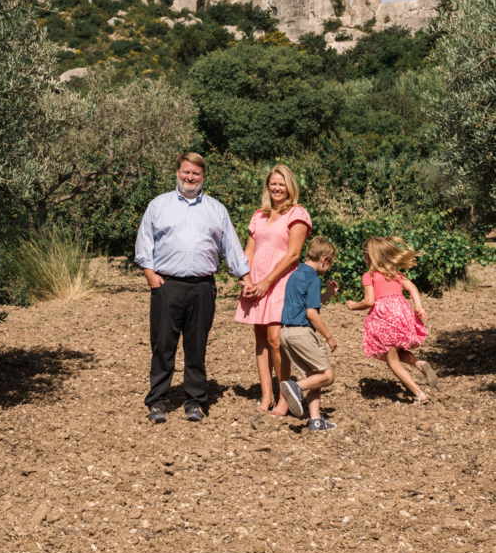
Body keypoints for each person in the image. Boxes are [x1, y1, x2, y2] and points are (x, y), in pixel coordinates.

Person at [134, 151, 250, 424]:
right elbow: (144, 242)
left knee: (197, 347)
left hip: (202, 287)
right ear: (177, 173)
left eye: (196, 173)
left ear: (203, 177)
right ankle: (158, 402)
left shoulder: (215, 209)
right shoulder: (158, 205)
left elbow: (230, 246)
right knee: (163, 346)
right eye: (186, 172)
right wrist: (149, 273)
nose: (190, 177)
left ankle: (195, 402)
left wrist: (243, 276)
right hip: (167, 285)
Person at [234, 164, 312, 416]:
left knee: (276, 340)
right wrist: (245, 278)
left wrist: (266, 282)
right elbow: (249, 250)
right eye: (273, 183)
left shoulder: (297, 214)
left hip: (281, 282)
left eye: (282, 184)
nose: (277, 188)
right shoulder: (258, 215)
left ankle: (283, 396)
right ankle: (266, 394)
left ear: (290, 187)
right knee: (260, 340)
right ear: (268, 186)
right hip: (256, 281)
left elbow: (293, 255)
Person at [344, 235, 438, 404]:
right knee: (398, 351)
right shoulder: (395, 273)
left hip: (383, 319)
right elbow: (412, 288)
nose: (364, 260)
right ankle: (419, 364)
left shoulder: (369, 275)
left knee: (392, 361)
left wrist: (353, 306)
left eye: (365, 256)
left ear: (371, 257)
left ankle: (419, 394)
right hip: (402, 316)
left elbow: (369, 301)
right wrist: (419, 306)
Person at [277, 236, 341, 432]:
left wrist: (328, 293)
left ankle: (315, 421)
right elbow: (311, 313)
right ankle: (295, 387)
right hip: (302, 333)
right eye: (329, 263)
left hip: (286, 333)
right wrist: (329, 336)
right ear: (324, 259)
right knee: (327, 376)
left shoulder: (295, 275)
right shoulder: (313, 278)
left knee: (315, 375)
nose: (328, 268)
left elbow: (309, 304)